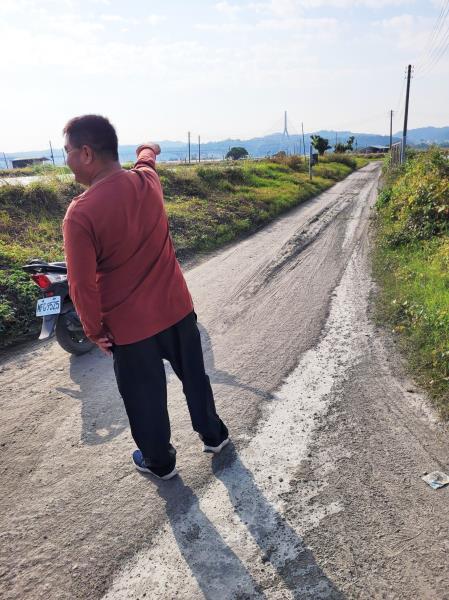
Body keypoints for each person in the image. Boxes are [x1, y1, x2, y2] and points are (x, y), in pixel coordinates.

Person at [62, 114, 228, 480]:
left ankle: (159, 461)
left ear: (86, 153)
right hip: (177, 309)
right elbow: (147, 155)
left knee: (144, 398)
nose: (67, 160)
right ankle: (214, 436)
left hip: (130, 328)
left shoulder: (81, 213)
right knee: (195, 377)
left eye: (68, 152)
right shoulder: (146, 181)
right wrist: (147, 146)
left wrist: (93, 329)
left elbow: (81, 285)